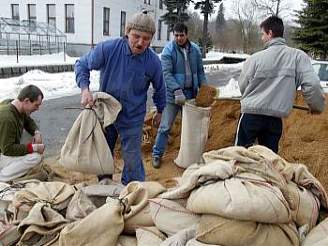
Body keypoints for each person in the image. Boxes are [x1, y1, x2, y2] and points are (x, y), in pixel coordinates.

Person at [75, 12, 166, 185]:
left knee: (132, 156)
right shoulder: (108, 49)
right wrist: (85, 89)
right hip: (106, 112)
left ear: (151, 39)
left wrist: (160, 110)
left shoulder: (153, 62)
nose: (140, 43)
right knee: (103, 151)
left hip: (132, 116)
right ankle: (104, 183)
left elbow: (160, 88)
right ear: (127, 32)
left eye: (146, 38)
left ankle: (131, 189)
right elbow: (81, 64)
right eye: (136, 36)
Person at [235, 15, 325, 153]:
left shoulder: (254, 59)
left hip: (250, 116)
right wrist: (316, 106)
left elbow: (243, 86)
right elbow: (312, 84)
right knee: (270, 162)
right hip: (274, 120)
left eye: (263, 34)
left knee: (239, 156)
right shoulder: (298, 57)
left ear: (270, 33)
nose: (262, 38)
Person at [152, 22, 207, 168]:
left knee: (191, 127)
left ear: (186, 34)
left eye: (181, 35)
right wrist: (177, 90)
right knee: (165, 126)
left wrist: (205, 89)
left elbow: (200, 72)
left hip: (190, 94)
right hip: (172, 95)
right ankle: (157, 154)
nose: (179, 38)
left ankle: (191, 156)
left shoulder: (195, 50)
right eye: (176, 35)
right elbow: (167, 74)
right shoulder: (168, 51)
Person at [0, 85, 44, 182]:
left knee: (30, 134)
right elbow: (7, 149)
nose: (38, 109)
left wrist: (37, 133)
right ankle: (3, 177)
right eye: (36, 105)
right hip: (4, 151)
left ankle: (11, 169)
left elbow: (28, 121)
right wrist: (34, 148)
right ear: (26, 101)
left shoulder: (15, 105)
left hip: (4, 147)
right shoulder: (7, 118)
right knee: (36, 157)